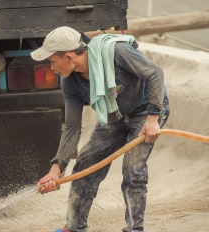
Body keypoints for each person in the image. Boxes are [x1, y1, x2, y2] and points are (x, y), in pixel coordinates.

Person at [30, 26, 170, 232]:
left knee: (133, 170)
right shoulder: (69, 82)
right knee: (85, 165)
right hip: (114, 115)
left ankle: (134, 229)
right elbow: (72, 126)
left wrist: (152, 118)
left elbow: (155, 73)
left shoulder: (116, 52)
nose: (52, 68)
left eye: (52, 61)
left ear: (68, 57)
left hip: (145, 111)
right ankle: (74, 228)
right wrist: (56, 168)